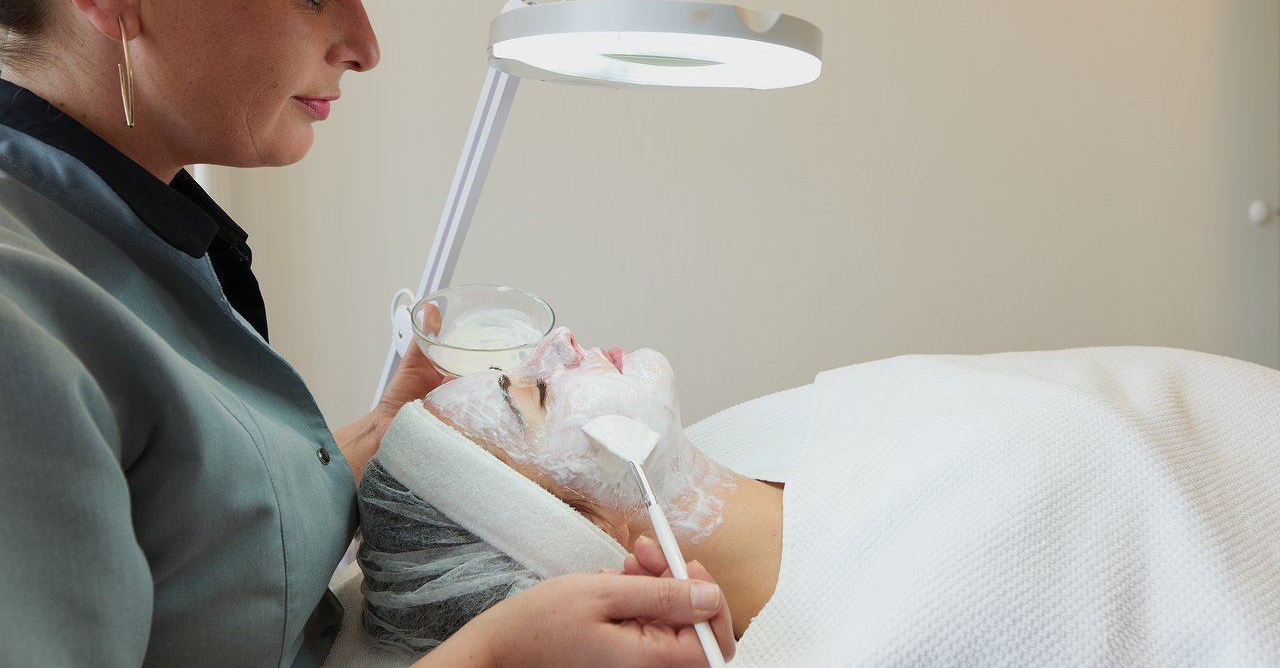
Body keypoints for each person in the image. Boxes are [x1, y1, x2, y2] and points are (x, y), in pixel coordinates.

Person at [0, 0, 733, 666]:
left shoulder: (138, 233)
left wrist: (387, 433)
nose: (366, 46)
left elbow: (198, 546)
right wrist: (492, 657)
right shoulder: (20, 319)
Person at [358, 327, 1280, 667]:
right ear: (581, 533)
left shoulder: (755, 431)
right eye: (533, 394)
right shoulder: (901, 618)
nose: (558, 344)